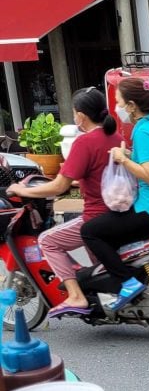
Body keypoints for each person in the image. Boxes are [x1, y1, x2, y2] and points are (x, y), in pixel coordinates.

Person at [5, 87, 120, 318]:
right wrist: (80, 182)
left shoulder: (84, 143)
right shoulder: (114, 137)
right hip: (118, 210)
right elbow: (100, 174)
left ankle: (76, 295)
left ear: (81, 116)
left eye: (75, 112)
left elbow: (59, 186)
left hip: (97, 215)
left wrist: (19, 188)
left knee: (48, 240)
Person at [81, 77, 149, 310]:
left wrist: (123, 159)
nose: (117, 108)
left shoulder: (144, 131)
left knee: (91, 231)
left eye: (119, 102)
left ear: (132, 105)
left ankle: (127, 282)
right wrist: (131, 156)